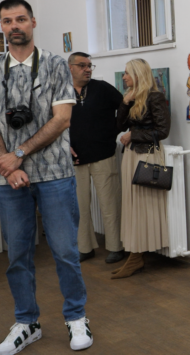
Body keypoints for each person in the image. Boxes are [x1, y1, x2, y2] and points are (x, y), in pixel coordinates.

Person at [0, 0, 92, 354]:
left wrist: (18, 155)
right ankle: (27, 323)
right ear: (2, 26)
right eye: (8, 20)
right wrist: (6, 165)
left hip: (54, 173)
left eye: (21, 19)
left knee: (65, 251)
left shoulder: (57, 65)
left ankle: (76, 317)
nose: (15, 25)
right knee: (18, 255)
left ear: (33, 22)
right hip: (8, 177)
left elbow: (61, 120)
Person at [111, 58, 171, 279]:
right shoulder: (131, 97)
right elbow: (119, 126)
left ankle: (137, 256)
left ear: (137, 75)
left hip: (148, 156)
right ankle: (135, 255)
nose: (124, 76)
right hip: (132, 156)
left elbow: (163, 131)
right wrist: (125, 103)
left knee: (142, 206)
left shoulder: (154, 97)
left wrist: (133, 135)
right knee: (132, 205)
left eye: (127, 73)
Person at [67, 52, 126, 264]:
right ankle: (85, 247)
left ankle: (116, 246)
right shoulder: (61, 92)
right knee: (79, 206)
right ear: (70, 68)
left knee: (110, 204)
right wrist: (64, 145)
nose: (88, 69)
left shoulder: (102, 88)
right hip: (76, 159)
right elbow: (53, 121)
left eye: (90, 65)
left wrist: (117, 130)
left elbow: (125, 107)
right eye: (82, 65)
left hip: (103, 154)